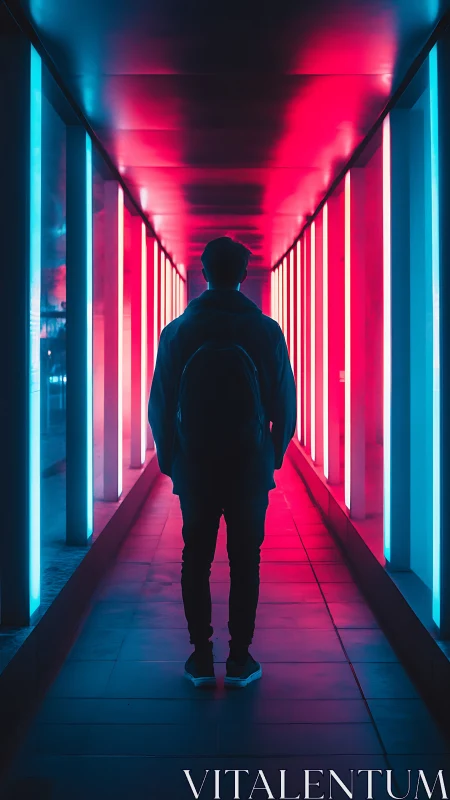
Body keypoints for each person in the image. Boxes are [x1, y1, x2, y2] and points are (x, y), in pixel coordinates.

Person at [149, 237, 296, 688]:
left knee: (195, 558)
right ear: (244, 276)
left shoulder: (177, 331)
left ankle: (200, 657)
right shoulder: (266, 331)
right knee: (245, 560)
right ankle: (239, 659)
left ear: (204, 273)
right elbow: (285, 404)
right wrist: (271, 455)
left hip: (196, 466)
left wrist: (173, 460)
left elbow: (160, 405)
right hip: (249, 466)